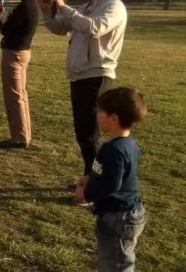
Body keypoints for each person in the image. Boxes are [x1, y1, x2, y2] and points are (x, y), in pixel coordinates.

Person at [40, 0, 127, 184]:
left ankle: (97, 183)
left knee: (91, 134)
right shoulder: (88, 5)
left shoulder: (113, 7)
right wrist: (46, 12)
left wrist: (63, 6)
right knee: (84, 133)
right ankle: (91, 178)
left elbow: (93, 28)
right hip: (80, 75)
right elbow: (61, 28)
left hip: (96, 76)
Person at [75, 87, 147, 272]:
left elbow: (112, 184)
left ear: (114, 118)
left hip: (118, 218)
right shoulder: (128, 144)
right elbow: (111, 174)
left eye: (100, 111)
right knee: (118, 260)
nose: (97, 114)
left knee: (116, 265)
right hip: (126, 213)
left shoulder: (113, 150)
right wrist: (89, 178)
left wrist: (86, 194)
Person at [0, 0, 41, 148]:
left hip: (15, 53)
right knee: (20, 95)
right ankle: (23, 135)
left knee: (14, 96)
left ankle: (19, 138)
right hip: (22, 52)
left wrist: (4, 21)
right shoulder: (30, 4)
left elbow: (7, 29)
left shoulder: (25, 6)